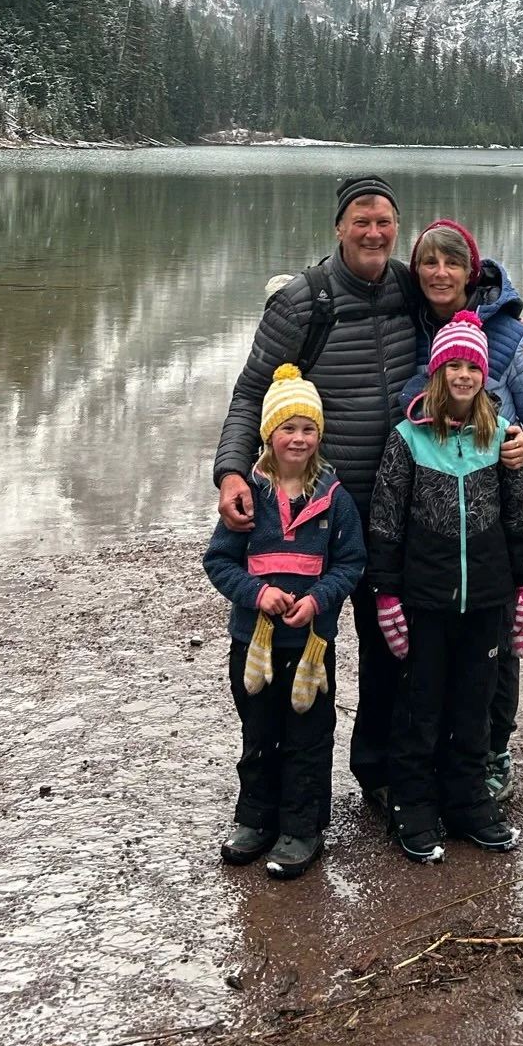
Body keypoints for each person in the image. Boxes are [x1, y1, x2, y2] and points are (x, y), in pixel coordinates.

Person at [213, 175, 422, 805]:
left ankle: (379, 773)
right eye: (361, 220)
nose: (373, 232)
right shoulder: (305, 300)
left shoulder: (411, 286)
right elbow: (252, 392)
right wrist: (229, 472)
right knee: (303, 643)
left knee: (391, 646)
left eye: (384, 220)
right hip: (316, 511)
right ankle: (290, 793)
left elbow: (475, 298)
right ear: (339, 226)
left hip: (393, 510)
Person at [367, 312, 523, 863]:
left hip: (486, 598)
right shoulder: (408, 439)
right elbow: (387, 523)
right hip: (425, 600)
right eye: (452, 366)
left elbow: (519, 516)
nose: (463, 376)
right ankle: (413, 806)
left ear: (484, 374)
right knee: (421, 707)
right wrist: (387, 595)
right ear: (437, 375)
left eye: (472, 366)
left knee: (474, 704)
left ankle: (468, 801)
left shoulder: (500, 437)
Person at [402, 219, 523, 804]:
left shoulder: (513, 336)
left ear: (473, 272)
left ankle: (494, 747)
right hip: (431, 505)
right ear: (415, 272)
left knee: (496, 634)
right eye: (429, 264)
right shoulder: (406, 324)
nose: (441, 275)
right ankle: (440, 751)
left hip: (495, 505)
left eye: (453, 265)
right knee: (437, 636)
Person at [203, 362, 366, 878]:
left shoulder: (334, 499)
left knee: (308, 736)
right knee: (259, 730)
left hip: (310, 645)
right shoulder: (248, 496)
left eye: (308, 428)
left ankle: (301, 828)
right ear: (268, 435)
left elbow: (351, 564)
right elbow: (219, 562)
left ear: (319, 434)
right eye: (287, 428)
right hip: (252, 641)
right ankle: (255, 820)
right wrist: (259, 592)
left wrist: (319, 601)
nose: (298, 439)